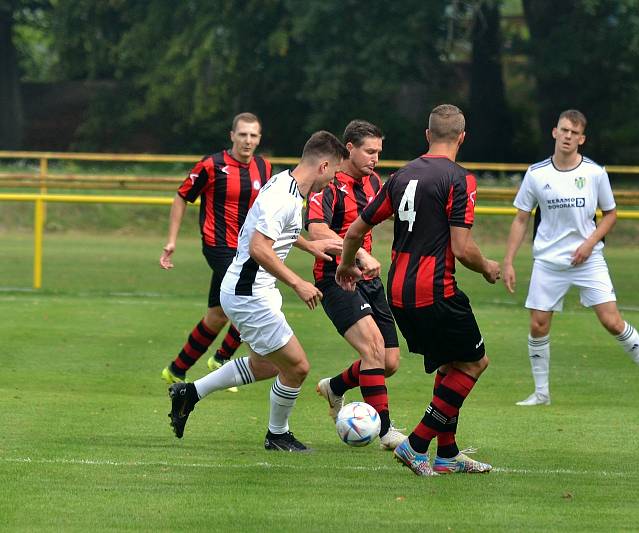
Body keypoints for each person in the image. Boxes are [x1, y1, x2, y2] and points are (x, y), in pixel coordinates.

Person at [336, 104, 500, 476]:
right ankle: (416, 444)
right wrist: (488, 265)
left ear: (427, 135)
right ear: (462, 136)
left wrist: (346, 264)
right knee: (474, 363)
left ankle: (448, 455)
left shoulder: (400, 176)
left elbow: (355, 231)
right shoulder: (460, 179)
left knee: (450, 363)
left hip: (397, 291)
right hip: (435, 289)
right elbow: (462, 248)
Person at [167, 131, 349, 451]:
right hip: (249, 293)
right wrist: (298, 282)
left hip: (251, 290)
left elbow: (276, 232)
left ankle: (189, 393)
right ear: (323, 166)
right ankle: (277, 435)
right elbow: (259, 247)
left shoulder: (288, 186)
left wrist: (311, 246)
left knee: (265, 365)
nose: (333, 181)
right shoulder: (283, 195)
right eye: (334, 172)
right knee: (298, 367)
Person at [502, 109, 639, 407]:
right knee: (538, 324)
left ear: (582, 139)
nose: (568, 136)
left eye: (574, 132)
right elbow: (521, 219)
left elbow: (611, 214)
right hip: (548, 260)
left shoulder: (595, 173)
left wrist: (588, 244)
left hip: (588, 259)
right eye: (564, 130)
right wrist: (508, 261)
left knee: (612, 321)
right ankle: (541, 393)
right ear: (554, 132)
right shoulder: (536, 173)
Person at [306, 120, 406, 451]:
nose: (376, 158)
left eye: (379, 152)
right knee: (373, 350)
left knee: (388, 361)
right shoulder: (329, 184)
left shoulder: (374, 182)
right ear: (349, 147)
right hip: (337, 278)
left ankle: (335, 387)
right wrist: (359, 252)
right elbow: (317, 231)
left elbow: (393, 213)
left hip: (369, 280)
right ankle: (385, 431)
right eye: (370, 151)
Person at [159, 112, 272, 391]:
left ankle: (176, 368)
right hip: (218, 245)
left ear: (259, 139)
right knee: (248, 297)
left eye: (253, 135)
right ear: (232, 135)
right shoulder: (212, 165)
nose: (247, 140)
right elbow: (182, 196)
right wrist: (171, 240)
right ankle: (221, 359)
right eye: (242, 134)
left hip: (247, 247)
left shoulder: (264, 168)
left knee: (218, 314)